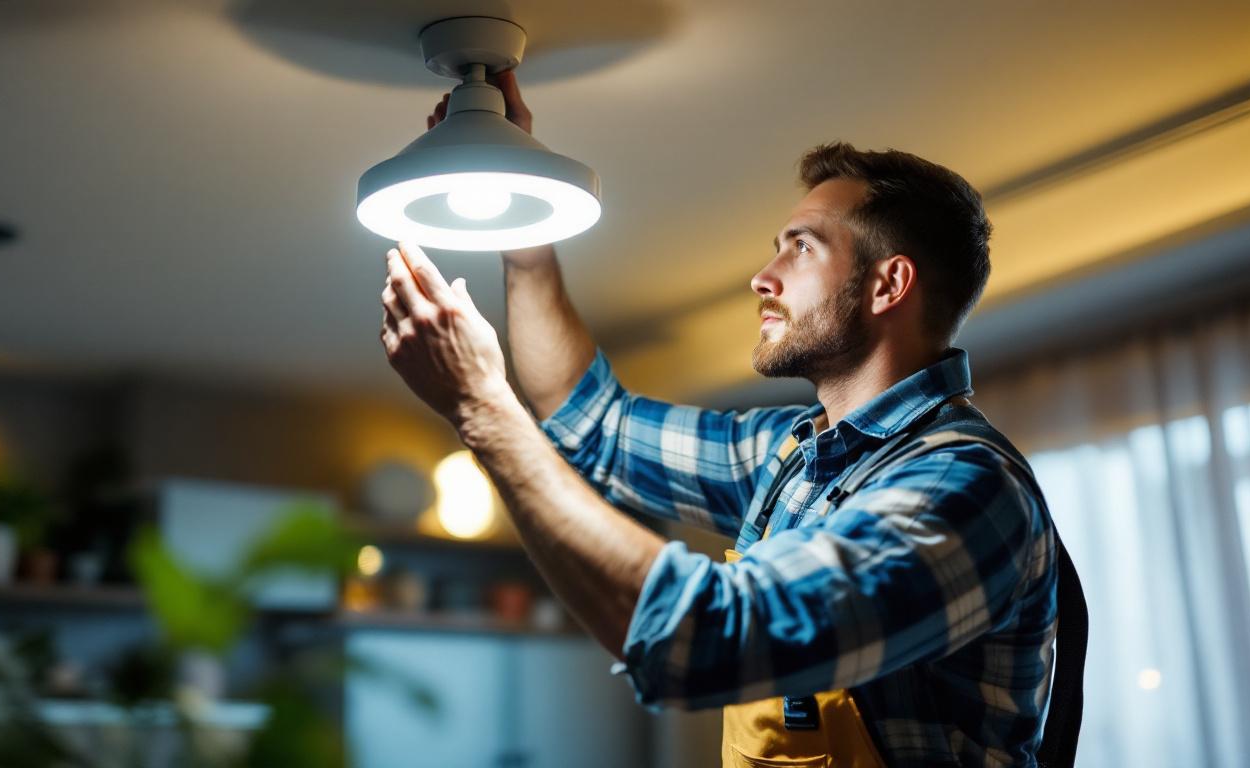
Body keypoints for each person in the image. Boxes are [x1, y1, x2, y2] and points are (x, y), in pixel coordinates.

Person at [378, 71, 1061, 767]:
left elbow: (713, 638)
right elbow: (594, 424)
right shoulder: (789, 457)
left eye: (801, 246)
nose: (762, 276)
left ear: (889, 283)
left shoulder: (965, 486)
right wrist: (526, 236)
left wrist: (484, 411)